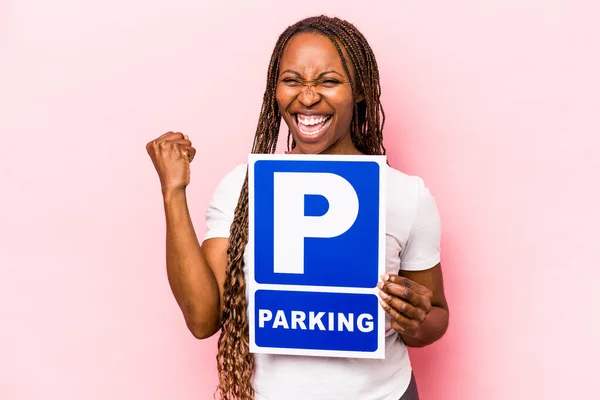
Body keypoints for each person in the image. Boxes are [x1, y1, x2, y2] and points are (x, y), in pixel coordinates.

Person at [146, 15, 449, 400]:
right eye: (292, 81)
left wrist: (416, 319)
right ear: (275, 89)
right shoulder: (243, 188)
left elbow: (436, 317)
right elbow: (203, 319)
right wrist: (173, 191)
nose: (307, 97)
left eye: (329, 81)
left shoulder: (407, 195)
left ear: (360, 90)